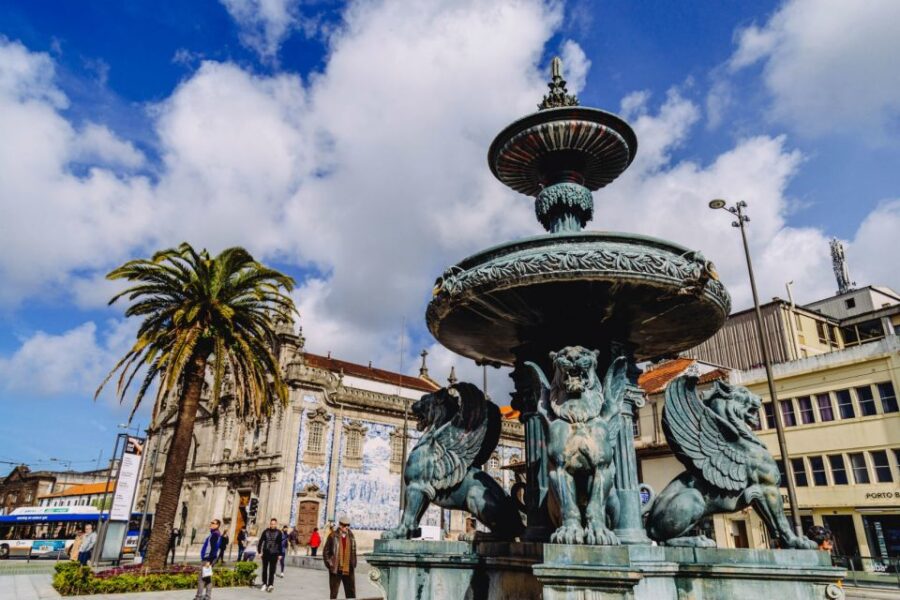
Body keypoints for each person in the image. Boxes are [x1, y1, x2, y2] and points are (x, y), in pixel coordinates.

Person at [323, 515, 357, 599]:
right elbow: (326, 551)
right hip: (336, 568)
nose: (347, 527)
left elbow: (354, 550)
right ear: (340, 525)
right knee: (334, 592)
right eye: (345, 525)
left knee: (351, 592)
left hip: (348, 567)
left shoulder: (351, 536)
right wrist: (330, 563)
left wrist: (354, 562)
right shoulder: (333, 536)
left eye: (348, 525)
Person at [197, 519, 222, 600]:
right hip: (209, 558)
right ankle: (207, 596)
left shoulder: (215, 535)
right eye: (211, 522)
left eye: (213, 523)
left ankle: (199, 597)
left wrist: (209, 561)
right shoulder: (216, 534)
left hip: (208, 559)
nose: (211, 524)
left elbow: (214, 548)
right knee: (207, 578)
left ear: (217, 525)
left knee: (201, 578)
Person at [257, 518, 284, 592]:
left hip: (274, 553)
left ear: (276, 524)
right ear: (270, 524)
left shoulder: (279, 532)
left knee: (272, 570)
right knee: (264, 569)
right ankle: (264, 584)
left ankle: (270, 584)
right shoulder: (265, 531)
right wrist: (259, 552)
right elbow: (260, 542)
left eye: (274, 524)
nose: (272, 525)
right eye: (271, 524)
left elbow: (280, 544)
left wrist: (280, 554)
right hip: (266, 553)